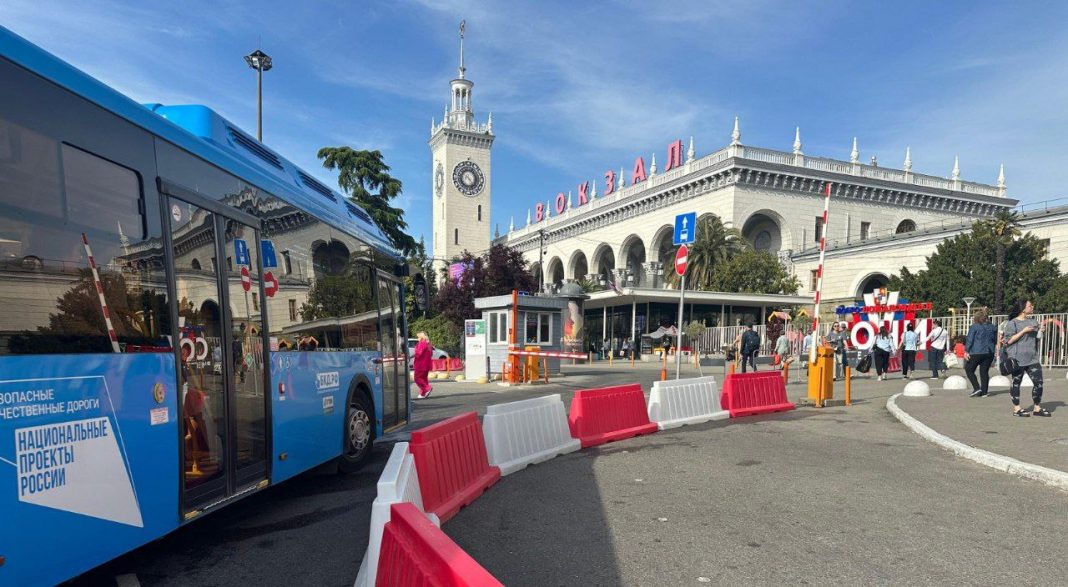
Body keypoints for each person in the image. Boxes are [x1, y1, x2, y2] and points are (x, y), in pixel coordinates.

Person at [1001, 299, 1049, 417]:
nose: (1032, 307)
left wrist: (1041, 331)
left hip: (1032, 358)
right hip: (1017, 359)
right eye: (1029, 305)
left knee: (1039, 383)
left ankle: (1037, 408)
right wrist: (1023, 331)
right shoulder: (1013, 323)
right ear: (1022, 308)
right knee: (1016, 382)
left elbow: (1037, 338)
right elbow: (1008, 341)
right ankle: (1017, 409)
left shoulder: (1033, 321)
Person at [964, 309, 997, 398]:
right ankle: (984, 392)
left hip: (976, 351)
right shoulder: (992, 327)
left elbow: (970, 339)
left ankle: (976, 388)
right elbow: (994, 340)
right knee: (984, 371)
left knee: (969, 369)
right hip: (989, 352)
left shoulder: (974, 327)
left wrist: (966, 351)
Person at [412, 331, 433, 400]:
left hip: (421, 364)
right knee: (424, 379)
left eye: (418, 337)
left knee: (417, 378)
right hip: (427, 364)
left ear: (421, 337)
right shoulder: (428, 344)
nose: (417, 338)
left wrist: (412, 356)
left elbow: (419, 353)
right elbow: (431, 354)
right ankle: (422, 393)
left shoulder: (421, 343)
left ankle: (427, 388)